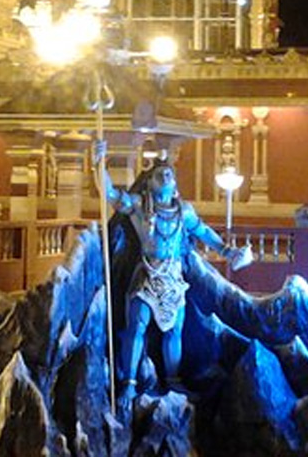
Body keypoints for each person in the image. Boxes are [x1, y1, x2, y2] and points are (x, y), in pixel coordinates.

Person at [94, 142, 249, 415]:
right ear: (149, 184)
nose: (166, 177)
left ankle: (173, 381)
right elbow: (110, 195)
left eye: (169, 174)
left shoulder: (184, 211)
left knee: (174, 332)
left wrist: (227, 251)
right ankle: (129, 382)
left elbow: (202, 232)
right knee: (136, 328)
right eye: (159, 175)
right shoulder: (140, 206)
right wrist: (99, 162)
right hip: (146, 274)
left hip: (174, 278)